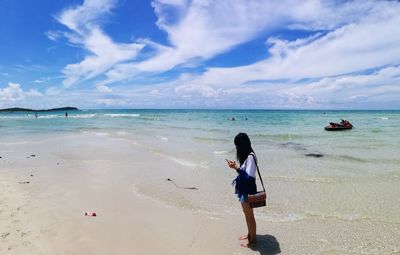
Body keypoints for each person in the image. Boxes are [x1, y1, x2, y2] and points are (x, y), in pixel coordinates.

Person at [226, 133, 258, 247]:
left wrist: (236, 168)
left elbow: (249, 178)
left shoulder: (250, 157)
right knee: (247, 214)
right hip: (243, 189)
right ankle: (250, 235)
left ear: (241, 145)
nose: (236, 148)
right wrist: (236, 167)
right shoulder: (247, 157)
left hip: (247, 190)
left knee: (250, 215)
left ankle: (253, 241)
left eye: (237, 145)